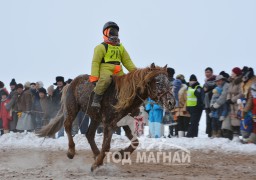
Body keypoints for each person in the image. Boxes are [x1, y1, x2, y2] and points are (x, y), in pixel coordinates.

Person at [89, 21, 136, 108]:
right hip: (105, 68)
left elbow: (127, 61)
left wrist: (135, 73)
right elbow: (95, 62)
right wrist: (94, 77)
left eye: (116, 32)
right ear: (106, 33)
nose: (114, 34)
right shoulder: (101, 47)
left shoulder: (120, 47)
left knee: (126, 82)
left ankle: (126, 101)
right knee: (105, 80)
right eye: (112, 31)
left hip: (118, 69)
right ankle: (96, 98)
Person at [223, 67, 242, 140]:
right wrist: (228, 99)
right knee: (233, 119)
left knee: (238, 119)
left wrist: (233, 99)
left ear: (236, 74)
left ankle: (237, 136)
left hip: (237, 103)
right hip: (231, 103)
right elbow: (228, 92)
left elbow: (241, 93)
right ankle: (234, 136)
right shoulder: (231, 82)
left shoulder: (240, 82)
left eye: (233, 73)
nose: (231, 74)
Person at [203, 67, 216, 137]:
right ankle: (209, 133)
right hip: (207, 103)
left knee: (213, 118)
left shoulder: (215, 81)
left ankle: (213, 132)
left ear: (211, 72)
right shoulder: (206, 82)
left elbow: (212, 91)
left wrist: (207, 90)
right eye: (206, 72)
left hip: (213, 102)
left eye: (208, 72)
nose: (207, 73)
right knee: (208, 119)